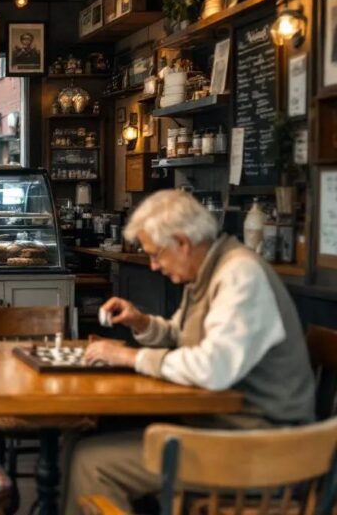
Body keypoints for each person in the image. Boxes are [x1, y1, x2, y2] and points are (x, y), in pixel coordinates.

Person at [64, 190, 316, 515]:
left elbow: (212, 368)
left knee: (91, 463)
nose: (153, 265)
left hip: (263, 448)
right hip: (221, 430)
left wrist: (129, 357)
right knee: (84, 436)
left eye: (156, 255)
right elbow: (180, 335)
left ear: (182, 243)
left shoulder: (240, 275)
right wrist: (141, 322)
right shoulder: (208, 272)